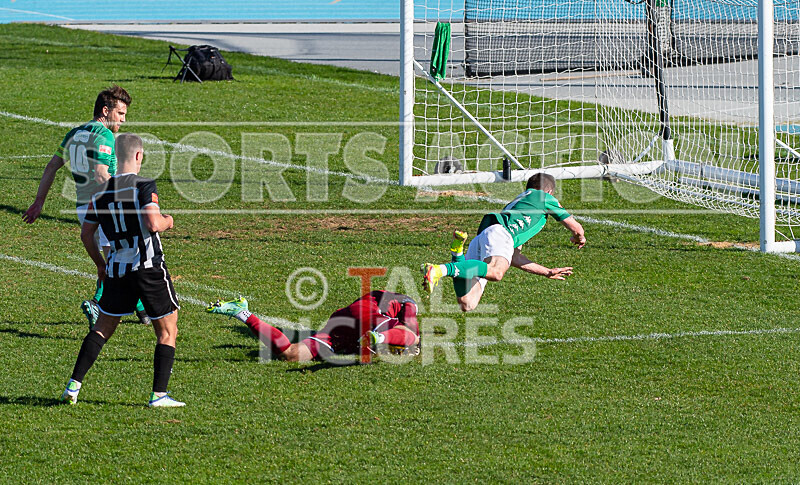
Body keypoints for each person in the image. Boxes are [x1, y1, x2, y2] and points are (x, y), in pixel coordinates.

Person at [59, 133, 184, 407]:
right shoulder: (144, 185)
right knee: (168, 329)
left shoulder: (100, 193)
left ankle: (73, 386)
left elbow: (86, 233)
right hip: (148, 267)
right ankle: (159, 395)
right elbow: (152, 223)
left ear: (116, 158)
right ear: (139, 156)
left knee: (103, 328)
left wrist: (101, 265)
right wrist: (168, 221)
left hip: (117, 269)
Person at [22, 85, 150, 327]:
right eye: (120, 114)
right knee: (128, 257)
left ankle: (141, 308)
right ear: (105, 110)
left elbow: (52, 167)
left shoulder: (74, 134)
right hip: (104, 207)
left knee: (117, 258)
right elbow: (102, 175)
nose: (123, 120)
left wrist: (39, 202)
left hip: (84, 207)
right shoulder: (104, 136)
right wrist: (124, 201)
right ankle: (98, 303)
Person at [421, 173, 586, 312]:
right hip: (500, 234)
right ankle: (438, 269)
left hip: (487, 236)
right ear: (549, 191)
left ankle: (457, 254)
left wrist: (547, 272)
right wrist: (579, 238)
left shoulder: (521, 205)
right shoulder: (543, 197)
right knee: (496, 273)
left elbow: (513, 257)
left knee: (467, 303)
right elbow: (576, 228)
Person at [206, 291, 420, 362]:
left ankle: (242, 313)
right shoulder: (405, 305)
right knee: (412, 337)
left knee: (291, 354)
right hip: (365, 312)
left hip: (341, 327)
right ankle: (379, 338)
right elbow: (411, 328)